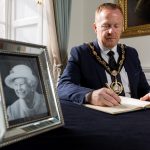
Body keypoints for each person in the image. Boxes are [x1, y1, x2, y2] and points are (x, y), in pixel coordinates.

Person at [57, 3, 150, 107]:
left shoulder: (131, 53)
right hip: (101, 118)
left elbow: (144, 89)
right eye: (106, 25)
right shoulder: (81, 53)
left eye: (116, 26)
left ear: (121, 28)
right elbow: (62, 87)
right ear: (95, 27)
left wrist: (148, 95)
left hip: (135, 114)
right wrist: (90, 95)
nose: (111, 31)